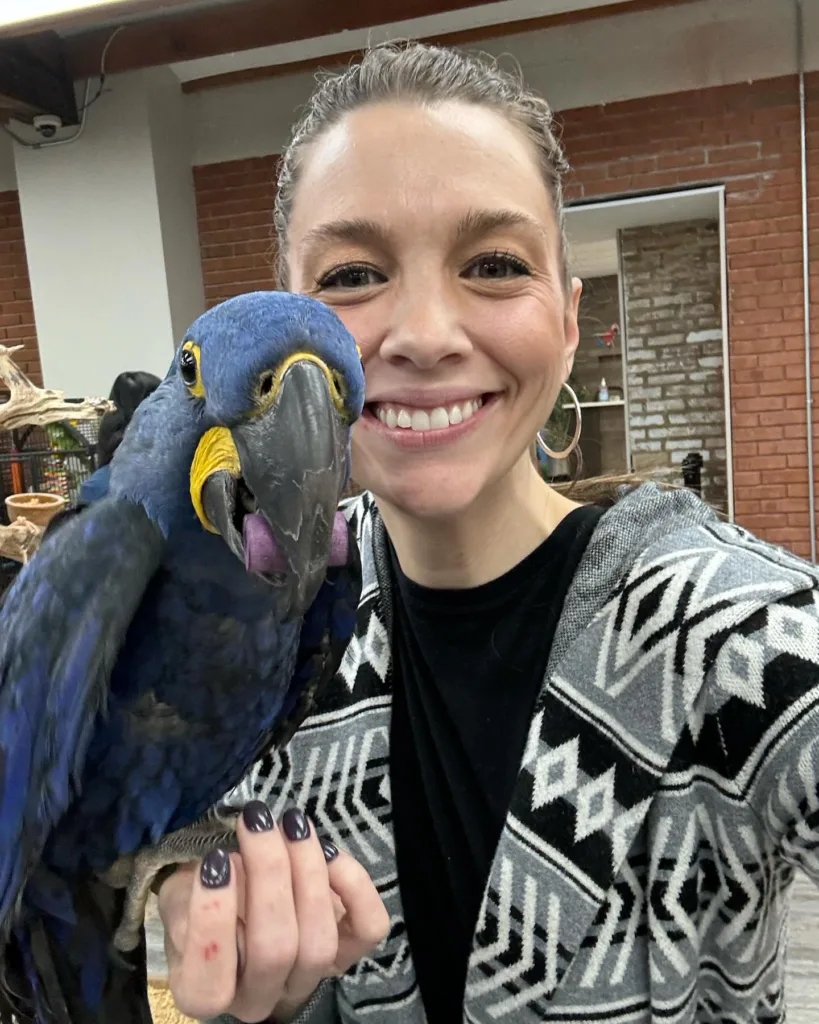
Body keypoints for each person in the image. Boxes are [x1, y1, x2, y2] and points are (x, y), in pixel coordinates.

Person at [158, 41, 819, 1024]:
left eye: (495, 264)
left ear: (565, 318)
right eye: (351, 273)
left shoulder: (732, 636)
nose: (424, 332)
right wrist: (170, 884)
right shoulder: (271, 617)